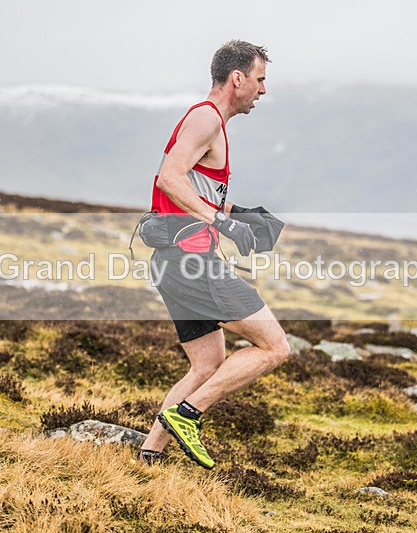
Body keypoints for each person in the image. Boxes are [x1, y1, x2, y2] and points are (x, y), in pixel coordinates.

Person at [136, 40, 290, 470]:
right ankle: (188, 415)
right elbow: (169, 178)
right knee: (275, 346)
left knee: (207, 363)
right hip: (191, 263)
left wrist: (241, 216)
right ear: (236, 78)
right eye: (260, 80)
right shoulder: (205, 117)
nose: (262, 91)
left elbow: (189, 188)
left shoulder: (212, 124)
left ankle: (149, 456)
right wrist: (223, 224)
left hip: (175, 261)